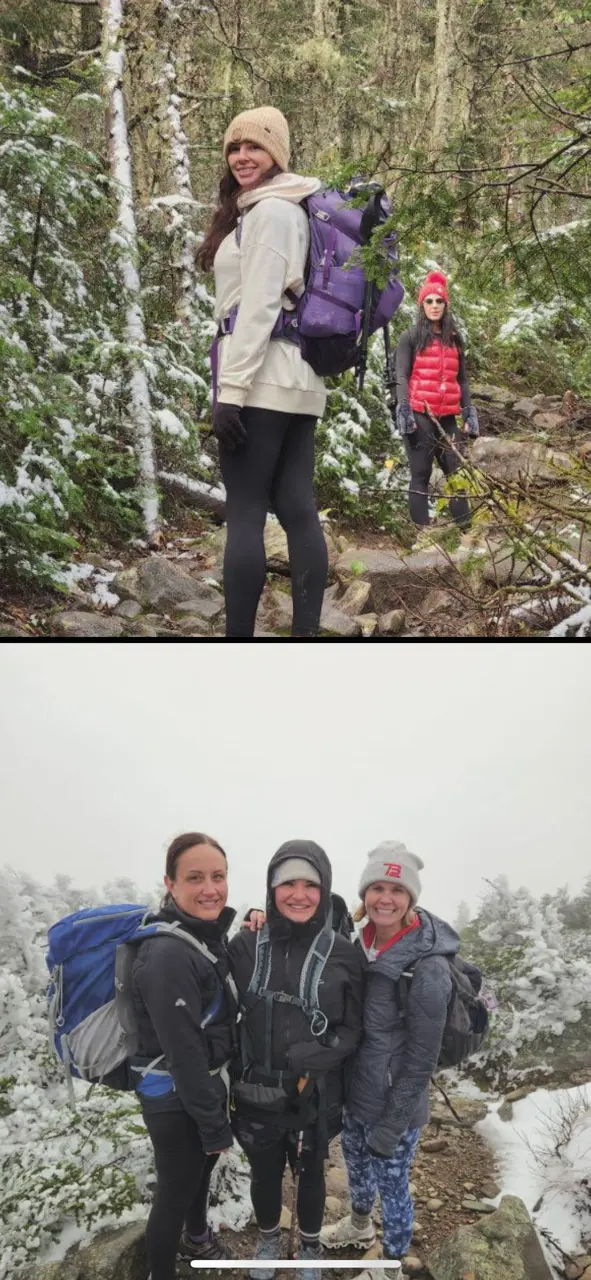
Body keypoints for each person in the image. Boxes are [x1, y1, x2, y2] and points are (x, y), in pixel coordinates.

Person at [196, 106, 329, 638]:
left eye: (255, 146)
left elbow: (257, 307)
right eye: (234, 147)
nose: (242, 156)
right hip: (295, 381)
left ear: (278, 153)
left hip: (262, 379)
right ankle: (306, 638)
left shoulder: (273, 211)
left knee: (247, 511)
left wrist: (231, 390)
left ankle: (240, 645)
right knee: (297, 507)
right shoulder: (268, 209)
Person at [320, 841, 460, 1276]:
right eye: (376, 887)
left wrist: (394, 1122)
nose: (385, 898)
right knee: (357, 1170)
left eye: (396, 890)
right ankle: (360, 1227)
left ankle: (392, 1265)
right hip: (355, 1092)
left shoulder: (427, 966)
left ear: (410, 898)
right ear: (364, 894)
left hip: (395, 1102)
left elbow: (422, 1059)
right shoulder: (354, 942)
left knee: (393, 1186)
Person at [228, 840, 364, 1280]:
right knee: (265, 1175)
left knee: (310, 1177)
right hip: (257, 1090)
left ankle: (308, 1248)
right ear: (271, 889)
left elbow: (355, 1028)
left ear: (325, 890)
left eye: (311, 884)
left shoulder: (344, 953)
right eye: (288, 884)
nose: (299, 894)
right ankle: (269, 1239)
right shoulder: (246, 946)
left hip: (314, 1095)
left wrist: (323, 1053)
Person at [130, 832, 238, 1280]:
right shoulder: (168, 955)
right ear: (171, 884)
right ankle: (161, 1272)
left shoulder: (201, 936)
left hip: (198, 1090)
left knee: (199, 1170)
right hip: (174, 1099)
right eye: (195, 877)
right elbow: (184, 1052)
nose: (210, 888)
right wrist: (214, 1125)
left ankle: (197, 1238)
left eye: (218, 876)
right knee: (176, 1189)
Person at [394, 271, 479, 535]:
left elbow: (462, 380)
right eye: (428, 301)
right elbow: (401, 375)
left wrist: (468, 412)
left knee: (456, 474)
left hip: (448, 418)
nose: (434, 306)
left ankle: (467, 534)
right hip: (420, 414)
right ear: (422, 305)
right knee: (421, 474)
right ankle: (423, 536)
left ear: (445, 305)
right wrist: (404, 407)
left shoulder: (454, 339)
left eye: (438, 301)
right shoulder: (410, 337)